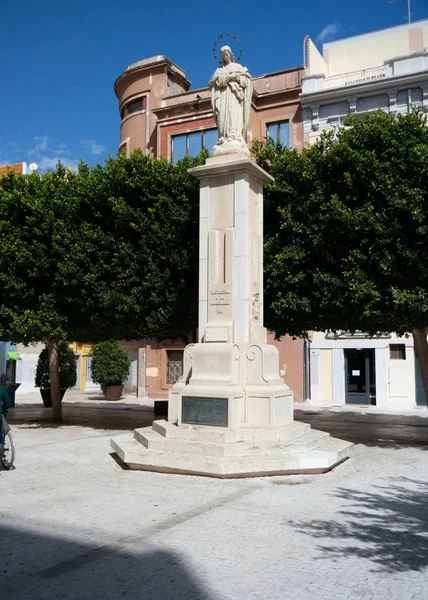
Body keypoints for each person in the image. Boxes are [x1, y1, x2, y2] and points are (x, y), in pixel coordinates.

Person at [209, 45, 252, 155]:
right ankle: (224, 137)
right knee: (223, 116)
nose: (225, 56)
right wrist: (223, 79)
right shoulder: (219, 70)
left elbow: (246, 82)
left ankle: (234, 137)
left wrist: (234, 77)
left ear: (230, 54)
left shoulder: (238, 67)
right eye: (223, 55)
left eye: (226, 54)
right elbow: (212, 82)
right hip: (223, 96)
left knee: (233, 114)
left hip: (234, 97)